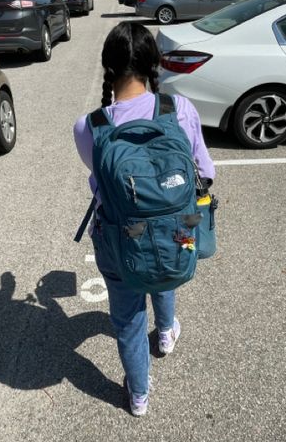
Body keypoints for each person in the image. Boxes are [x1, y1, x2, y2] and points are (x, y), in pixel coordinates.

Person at [73, 22, 215, 417]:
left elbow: (100, 176)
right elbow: (206, 170)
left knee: (128, 319)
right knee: (164, 265)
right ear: (154, 64)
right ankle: (167, 334)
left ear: (107, 66)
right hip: (177, 231)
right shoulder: (179, 109)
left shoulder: (90, 126)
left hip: (119, 240)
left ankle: (139, 395)